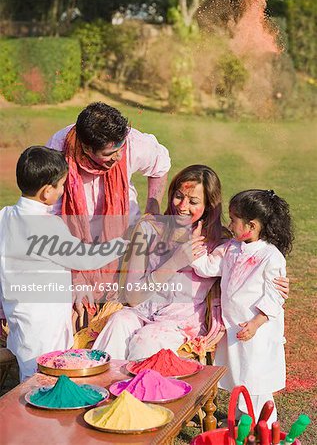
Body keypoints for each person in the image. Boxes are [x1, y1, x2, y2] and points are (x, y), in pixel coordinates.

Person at [92, 166, 289, 362]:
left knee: (146, 340)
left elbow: (252, 263)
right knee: (118, 322)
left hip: (179, 322)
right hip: (141, 309)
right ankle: (97, 388)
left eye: (193, 201)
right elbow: (133, 297)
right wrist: (175, 261)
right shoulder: (149, 228)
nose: (182, 206)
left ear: (209, 205)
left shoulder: (221, 242)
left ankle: (136, 392)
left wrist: (276, 283)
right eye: (179, 196)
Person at [0, 146, 127, 380]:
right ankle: (33, 414)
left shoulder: (5, 215)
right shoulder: (48, 227)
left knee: (29, 367)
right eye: (61, 185)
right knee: (43, 376)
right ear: (47, 192)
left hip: (17, 312)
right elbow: (85, 258)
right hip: (45, 320)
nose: (62, 190)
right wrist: (121, 244)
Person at [45, 102, 171, 315]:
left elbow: (161, 165)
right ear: (85, 148)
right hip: (74, 242)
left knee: (122, 312)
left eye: (120, 149)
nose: (119, 157)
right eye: (109, 153)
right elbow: (51, 213)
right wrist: (75, 272)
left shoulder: (133, 142)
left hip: (124, 238)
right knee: (74, 315)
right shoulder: (59, 148)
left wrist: (152, 210)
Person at [191, 189, 294, 426]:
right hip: (235, 327)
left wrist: (256, 323)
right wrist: (191, 250)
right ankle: (241, 416)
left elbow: (275, 296)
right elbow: (207, 267)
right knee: (240, 374)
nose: (229, 224)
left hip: (257, 329)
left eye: (233, 220)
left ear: (252, 225)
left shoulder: (271, 256)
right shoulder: (231, 248)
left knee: (255, 378)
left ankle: (262, 425)